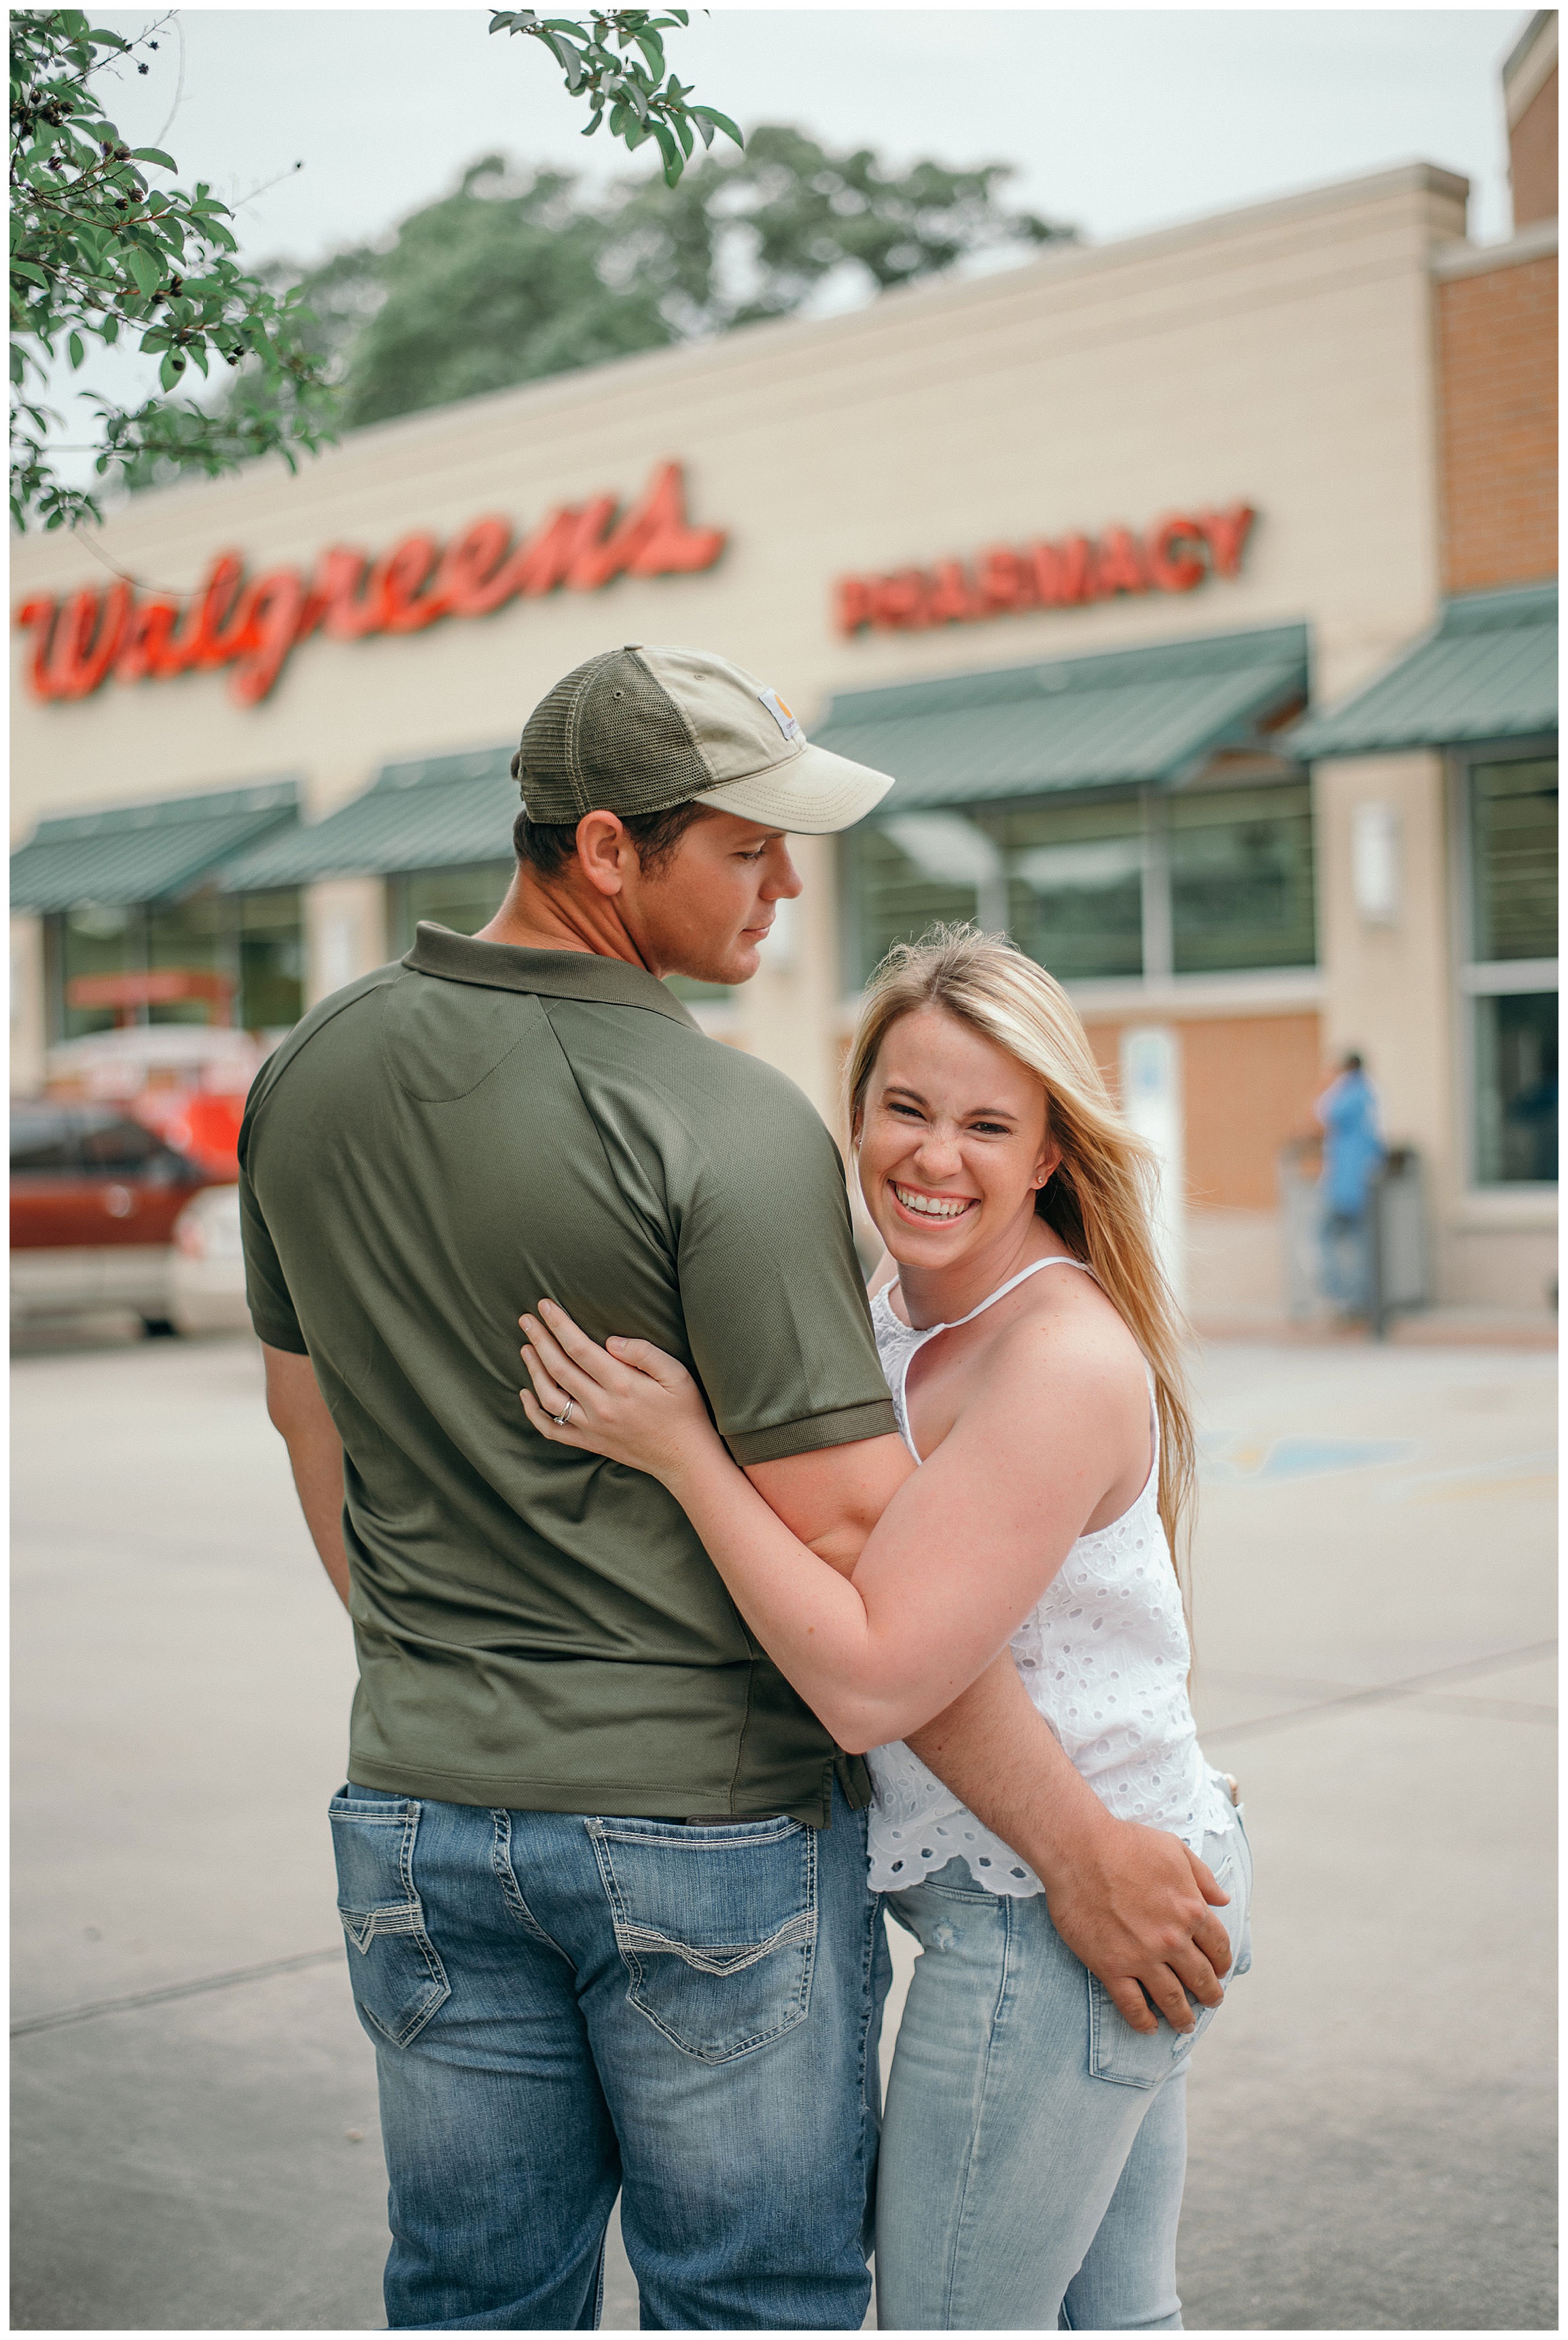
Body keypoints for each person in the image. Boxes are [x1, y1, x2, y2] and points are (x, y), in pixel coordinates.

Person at [243, 645, 1234, 2331]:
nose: (784, 884)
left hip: (414, 1807)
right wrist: (1074, 1849)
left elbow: (308, 1426)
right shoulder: (725, 1120)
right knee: (748, 2303)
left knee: (472, 2295)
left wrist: (453, 1675)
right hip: (699, 1834)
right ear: (607, 850)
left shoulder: (305, 1074)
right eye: (746, 848)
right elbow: (859, 1559)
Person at [520, 927, 1252, 2332]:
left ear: (1048, 1153)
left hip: (1062, 1910)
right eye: (904, 1108)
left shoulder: (1054, 1356)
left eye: (987, 1125)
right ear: (852, 1111)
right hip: (1071, 1885)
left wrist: (681, 1450)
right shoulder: (884, 1311)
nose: (932, 1156)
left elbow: (867, 1683)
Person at [1316, 1050, 1385, 1313]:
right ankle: (1361, 1298)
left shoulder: (1350, 1094)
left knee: (1324, 1236)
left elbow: (1323, 1112)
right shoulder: (1371, 1093)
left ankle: (1342, 1296)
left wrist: (1335, 1083)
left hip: (1346, 1184)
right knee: (1361, 1242)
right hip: (1367, 1182)